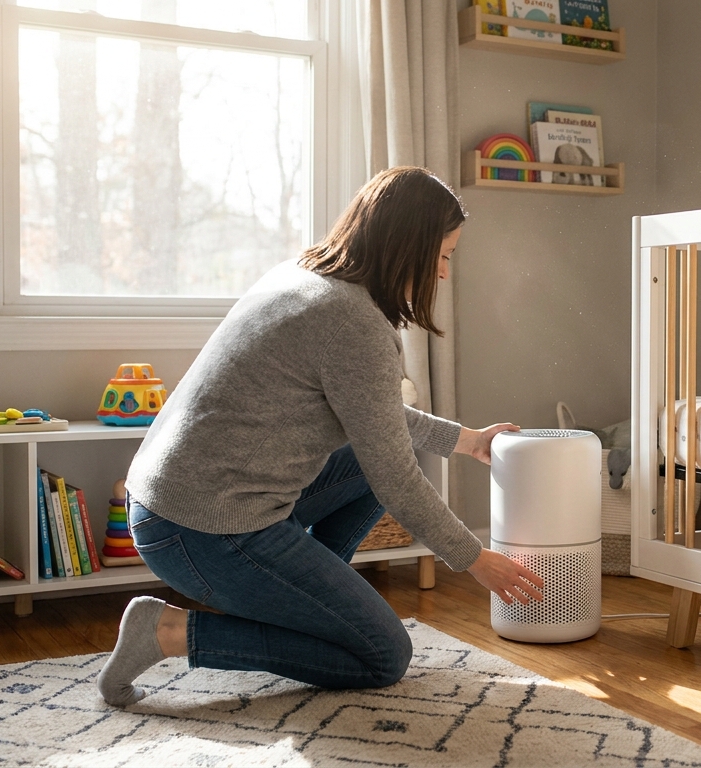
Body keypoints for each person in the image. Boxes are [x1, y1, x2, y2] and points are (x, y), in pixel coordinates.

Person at [97, 167, 544, 707]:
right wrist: (476, 558)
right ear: (408, 248)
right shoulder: (353, 323)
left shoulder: (303, 277)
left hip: (179, 501)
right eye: (444, 256)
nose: (445, 275)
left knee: (366, 460)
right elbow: (398, 480)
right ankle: (166, 632)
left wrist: (466, 440)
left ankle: (306, 600)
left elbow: (372, 417)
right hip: (202, 528)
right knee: (383, 656)